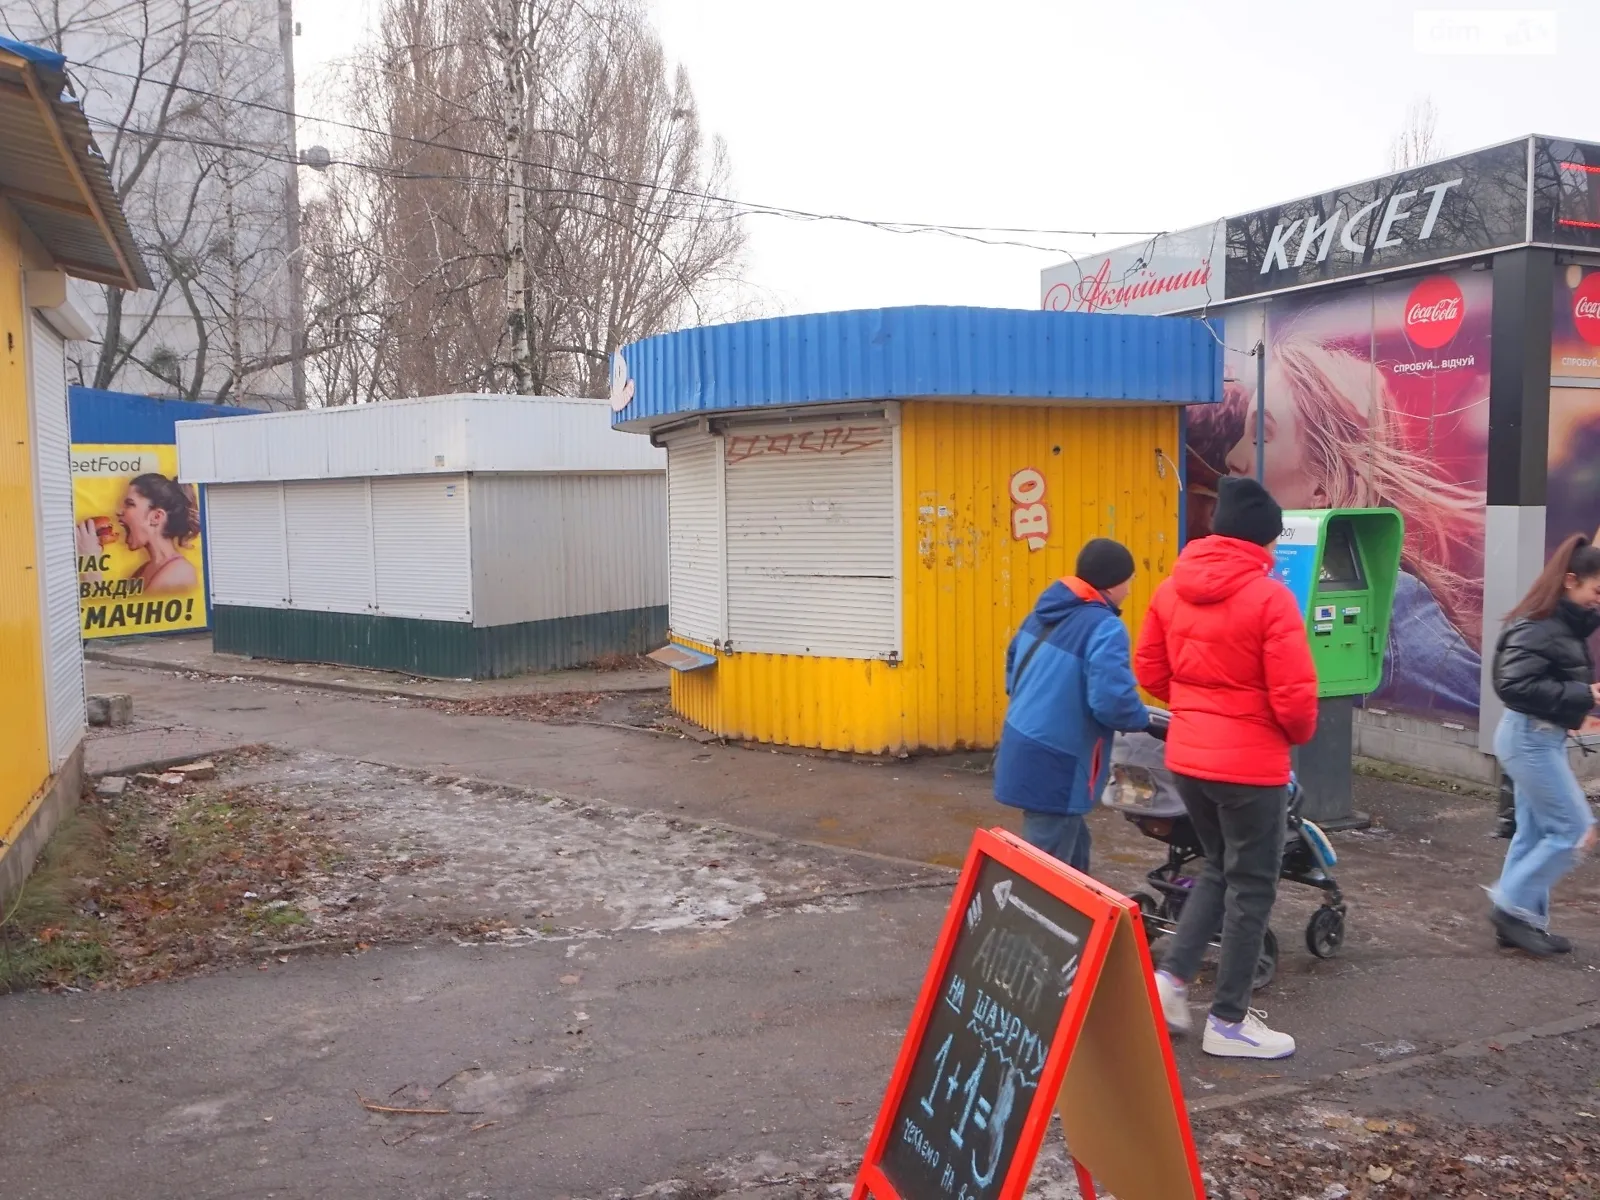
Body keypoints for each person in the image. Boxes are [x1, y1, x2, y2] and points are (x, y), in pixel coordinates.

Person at [1134, 476, 1318, 1060]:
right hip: (1250, 766)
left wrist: (1194, 708)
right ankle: (1230, 1021)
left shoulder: (1171, 590)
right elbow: (1295, 701)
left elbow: (1149, 669)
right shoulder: (1270, 598)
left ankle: (1169, 983)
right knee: (1252, 886)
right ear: (1263, 541)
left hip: (1189, 758)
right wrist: (1281, 733)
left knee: (1216, 866)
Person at [1224, 336, 1483, 716]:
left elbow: (1490, 707)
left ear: (1323, 485)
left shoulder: (1393, 606)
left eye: (1261, 436)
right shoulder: (1249, 572)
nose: (1233, 458)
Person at [993, 538, 1150, 875]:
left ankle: (1084, 924)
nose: (1130, 588)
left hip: (1022, 743)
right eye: (1129, 580)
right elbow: (1112, 702)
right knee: (1046, 872)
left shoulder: (1039, 616)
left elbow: (1011, 675)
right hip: (1059, 758)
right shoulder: (1105, 626)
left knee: (1074, 848)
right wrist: (1142, 718)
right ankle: (1030, 928)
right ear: (1114, 582)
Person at [1486, 534, 1600, 956]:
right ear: (1570, 580)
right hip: (1529, 738)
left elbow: (1578, 627)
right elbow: (1513, 685)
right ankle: (1508, 906)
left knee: (1535, 834)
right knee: (1575, 831)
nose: (1597, 601)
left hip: (1541, 738)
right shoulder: (1539, 624)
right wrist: (1585, 696)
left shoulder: (1559, 620)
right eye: (1595, 591)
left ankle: (1522, 923)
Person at [77, 472, 200, 596]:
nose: (119, 512)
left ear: (156, 517)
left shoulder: (178, 573)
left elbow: (106, 612)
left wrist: (89, 562)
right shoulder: (145, 569)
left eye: (130, 504)